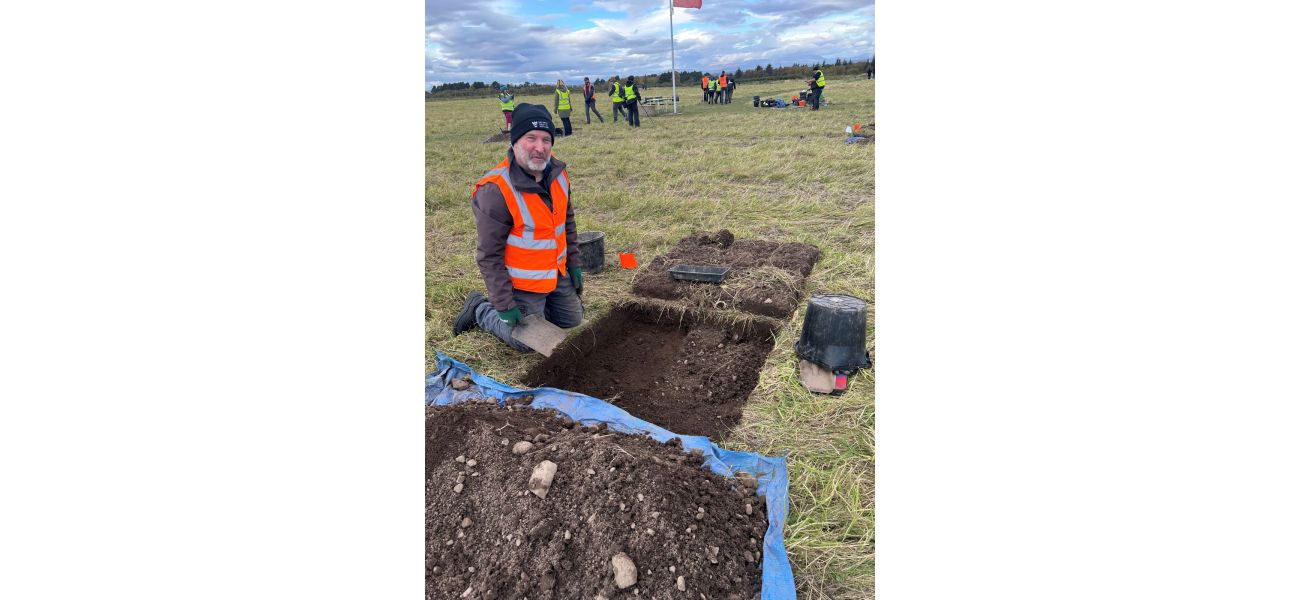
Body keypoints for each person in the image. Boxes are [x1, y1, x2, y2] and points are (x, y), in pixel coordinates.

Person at [452, 103, 583, 352]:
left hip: (556, 273)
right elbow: (489, 256)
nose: (540, 147)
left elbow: (567, 223)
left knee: (571, 322)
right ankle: (480, 308)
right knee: (527, 344)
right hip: (523, 284)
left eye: (546, 139)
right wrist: (503, 303)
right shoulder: (495, 190)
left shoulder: (558, 174)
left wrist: (574, 264)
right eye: (531, 138)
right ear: (514, 141)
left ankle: (542, 312)